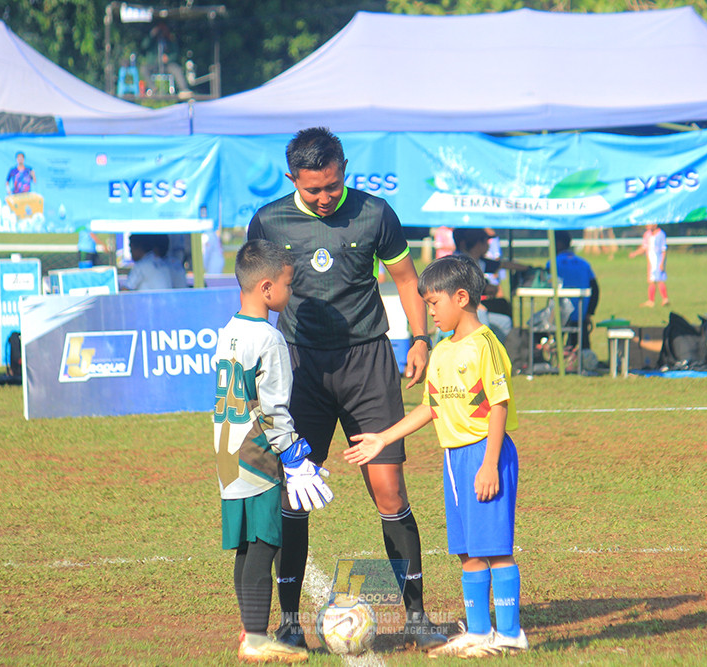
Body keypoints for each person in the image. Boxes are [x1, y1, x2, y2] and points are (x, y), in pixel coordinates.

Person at [246, 127, 446, 649]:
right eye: (313, 189)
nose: (325, 197)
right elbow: (253, 293)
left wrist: (419, 339)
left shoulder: (375, 213)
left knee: (390, 490)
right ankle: (289, 622)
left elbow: (406, 279)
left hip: (367, 364)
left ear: (343, 169)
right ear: (293, 179)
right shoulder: (269, 220)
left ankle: (418, 619)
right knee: (293, 492)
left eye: (333, 185)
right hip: (297, 369)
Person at [344, 255, 527, 658]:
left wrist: (490, 464)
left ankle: (510, 633)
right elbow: (431, 407)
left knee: (494, 547)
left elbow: (498, 404)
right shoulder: (442, 351)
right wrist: (382, 439)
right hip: (454, 459)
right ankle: (479, 633)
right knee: (466, 549)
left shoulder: (485, 346)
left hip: (484, 453)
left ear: (461, 297)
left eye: (433, 303)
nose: (430, 312)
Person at [214, 239, 333, 663]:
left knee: (247, 546)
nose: (291, 291)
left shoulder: (229, 331)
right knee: (264, 543)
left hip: (228, 454)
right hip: (258, 454)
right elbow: (274, 409)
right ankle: (258, 639)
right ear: (266, 288)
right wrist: (296, 456)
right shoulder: (270, 339)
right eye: (288, 283)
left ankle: (250, 634)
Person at [452, 227, 530, 343]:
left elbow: (502, 264)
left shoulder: (479, 261)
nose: (489, 245)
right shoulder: (458, 262)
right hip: (463, 309)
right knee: (484, 316)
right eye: (486, 242)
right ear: (478, 244)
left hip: (474, 307)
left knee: (505, 321)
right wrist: (484, 290)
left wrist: (528, 268)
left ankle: (498, 353)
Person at [547, 230, 599, 350]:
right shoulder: (584, 263)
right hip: (581, 313)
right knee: (582, 348)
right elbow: (595, 289)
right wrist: (589, 312)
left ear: (558, 244)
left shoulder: (552, 264)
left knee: (555, 344)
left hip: (560, 313)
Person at [628, 222, 669, 307]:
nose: (647, 226)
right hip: (651, 261)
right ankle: (651, 301)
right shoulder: (647, 235)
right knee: (651, 281)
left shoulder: (661, 234)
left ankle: (665, 299)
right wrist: (635, 253)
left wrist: (662, 263)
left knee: (659, 280)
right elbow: (644, 247)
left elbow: (663, 250)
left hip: (658, 260)